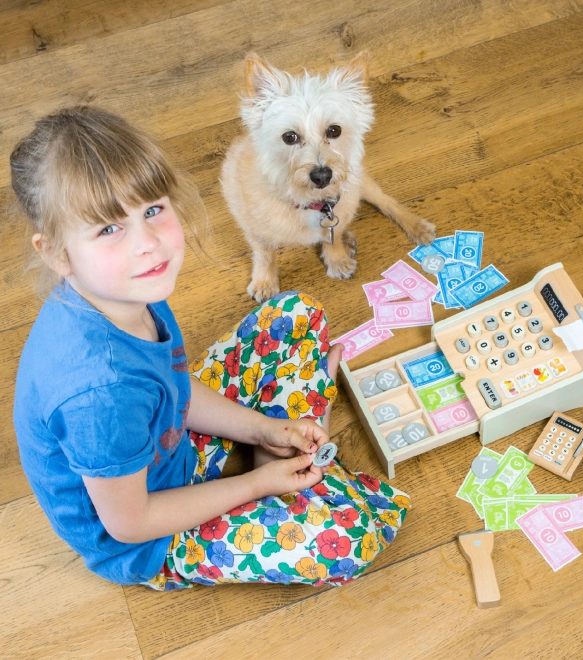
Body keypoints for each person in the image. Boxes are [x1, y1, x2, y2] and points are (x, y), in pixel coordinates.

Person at [10, 106, 411, 590]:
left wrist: (263, 428)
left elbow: (174, 386)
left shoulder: (127, 291)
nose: (149, 243)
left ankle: (282, 461)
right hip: (150, 536)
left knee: (295, 313)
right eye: (109, 229)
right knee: (348, 538)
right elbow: (130, 523)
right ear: (56, 254)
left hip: (169, 443)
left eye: (152, 210)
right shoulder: (99, 395)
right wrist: (256, 485)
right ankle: (286, 482)